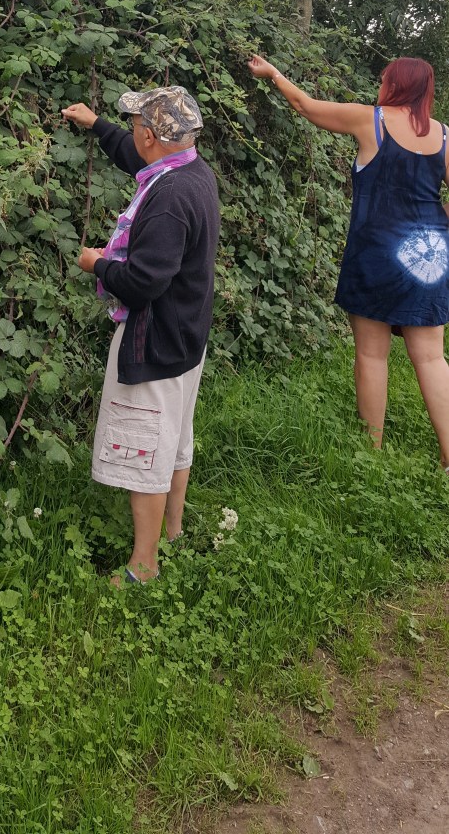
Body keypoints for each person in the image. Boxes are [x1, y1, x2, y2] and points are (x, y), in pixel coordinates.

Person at [247, 53, 449, 472]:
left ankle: (371, 455)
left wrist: (274, 74)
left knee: (372, 355)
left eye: (383, 79)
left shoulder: (369, 120)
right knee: (431, 357)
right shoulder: (445, 137)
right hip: (430, 255)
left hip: (375, 254)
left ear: (394, 85)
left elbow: (306, 106)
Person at [62, 86, 220, 583]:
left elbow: (145, 281)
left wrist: (98, 265)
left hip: (155, 340)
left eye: (135, 126)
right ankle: (172, 531)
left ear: (153, 135)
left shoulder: (169, 198)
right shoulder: (191, 170)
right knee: (173, 437)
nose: (132, 134)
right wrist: (96, 125)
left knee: (145, 445)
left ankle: (144, 565)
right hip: (186, 337)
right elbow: (135, 155)